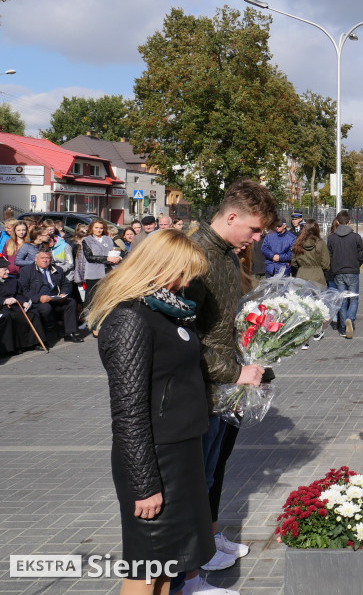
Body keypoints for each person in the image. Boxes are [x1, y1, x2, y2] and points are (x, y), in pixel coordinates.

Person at [92, 230, 216, 595]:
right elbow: (128, 412)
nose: (188, 282)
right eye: (183, 272)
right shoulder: (131, 318)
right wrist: (145, 486)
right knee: (146, 566)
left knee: (169, 562)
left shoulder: (164, 309)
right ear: (159, 268)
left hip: (179, 452)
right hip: (154, 459)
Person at [183, 178, 275, 594]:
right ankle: (188, 579)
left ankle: (196, 565)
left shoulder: (224, 254)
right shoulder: (196, 256)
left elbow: (224, 324)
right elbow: (183, 334)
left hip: (222, 389)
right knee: (194, 483)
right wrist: (235, 372)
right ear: (232, 216)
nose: (255, 239)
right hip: (201, 390)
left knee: (208, 475)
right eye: (254, 230)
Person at [20, 248, 80, 343]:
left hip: (55, 299)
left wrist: (63, 294)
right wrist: (39, 298)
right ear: (36, 259)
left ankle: (69, 333)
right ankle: (43, 337)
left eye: (47, 258)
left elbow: (67, 284)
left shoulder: (57, 269)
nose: (45, 260)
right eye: (42, 258)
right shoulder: (26, 271)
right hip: (38, 301)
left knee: (71, 302)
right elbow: (24, 290)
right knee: (45, 308)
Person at [326, 210, 363, 338]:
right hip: (352, 271)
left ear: (337, 222)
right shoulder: (356, 237)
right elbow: (361, 255)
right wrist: (356, 265)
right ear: (349, 222)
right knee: (353, 299)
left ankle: (343, 329)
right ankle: (350, 320)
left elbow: (329, 256)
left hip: (338, 273)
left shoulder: (331, 238)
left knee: (342, 300)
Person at [82, 219, 122, 306]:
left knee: (107, 297)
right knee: (92, 298)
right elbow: (89, 257)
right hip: (94, 273)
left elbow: (119, 250)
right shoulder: (86, 240)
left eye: (101, 228)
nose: (98, 230)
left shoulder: (108, 239)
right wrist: (107, 258)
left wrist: (119, 257)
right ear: (92, 228)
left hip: (109, 272)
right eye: (96, 228)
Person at [291, 220, 330, 286]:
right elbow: (326, 264)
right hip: (318, 277)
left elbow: (294, 262)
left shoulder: (298, 243)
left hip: (301, 276)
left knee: (302, 296)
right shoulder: (321, 243)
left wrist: (302, 267)